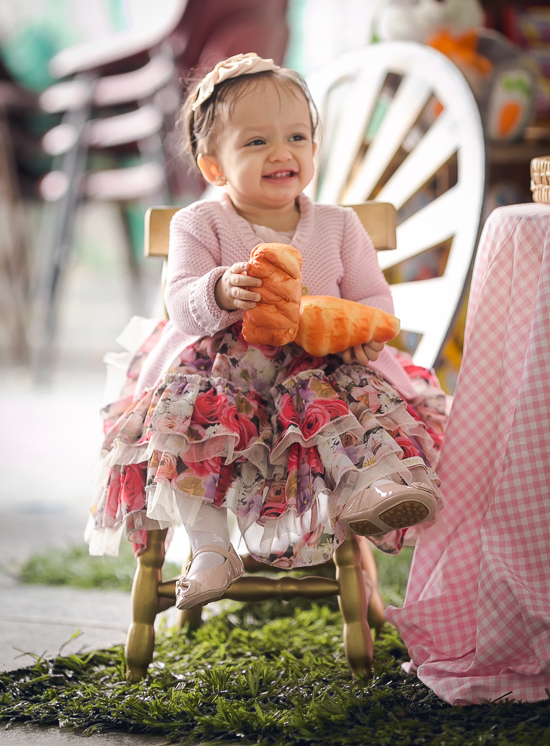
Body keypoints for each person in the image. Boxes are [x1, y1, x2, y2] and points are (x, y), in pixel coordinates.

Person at [86, 53, 447, 611]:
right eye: (256, 143)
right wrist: (220, 290)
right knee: (191, 422)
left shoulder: (339, 225)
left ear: (313, 148)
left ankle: (375, 485)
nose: (282, 153)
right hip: (228, 377)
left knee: (354, 403)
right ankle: (210, 549)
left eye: (297, 136)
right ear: (214, 166)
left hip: (317, 370)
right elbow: (180, 303)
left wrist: (365, 331)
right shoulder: (198, 223)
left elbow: (374, 299)